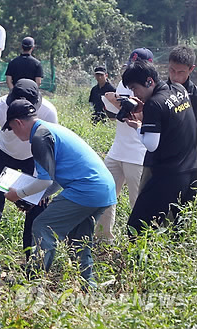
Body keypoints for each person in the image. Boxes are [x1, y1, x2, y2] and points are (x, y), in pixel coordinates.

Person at [2, 99, 116, 286]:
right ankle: (90, 285)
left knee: (42, 225)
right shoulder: (48, 129)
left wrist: (19, 194)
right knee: (79, 239)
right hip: (103, 189)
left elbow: (45, 180)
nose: (14, 133)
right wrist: (41, 195)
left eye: (12, 129)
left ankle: (33, 280)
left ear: (18, 123)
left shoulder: (39, 138)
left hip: (85, 189)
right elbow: (53, 179)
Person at [0, 79, 58, 259]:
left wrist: (38, 189)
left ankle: (32, 257)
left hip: (34, 158)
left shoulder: (48, 112)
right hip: (3, 154)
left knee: (36, 206)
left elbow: (49, 150)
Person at [121, 60, 197, 236]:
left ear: (149, 82)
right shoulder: (179, 89)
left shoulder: (154, 104)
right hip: (191, 170)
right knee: (178, 229)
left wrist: (138, 126)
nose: (135, 94)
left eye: (134, 88)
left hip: (168, 175)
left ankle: (139, 262)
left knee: (137, 227)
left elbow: (151, 145)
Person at [94, 49, 152, 244]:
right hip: (117, 150)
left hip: (138, 154)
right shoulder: (123, 82)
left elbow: (141, 113)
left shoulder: (152, 88)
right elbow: (118, 115)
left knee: (138, 203)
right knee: (105, 193)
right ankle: (103, 240)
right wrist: (112, 103)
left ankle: (139, 244)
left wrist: (116, 102)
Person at [167, 45, 197, 119]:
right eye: (172, 70)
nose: (175, 76)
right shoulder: (158, 92)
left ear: (191, 69)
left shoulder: (195, 95)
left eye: (181, 72)